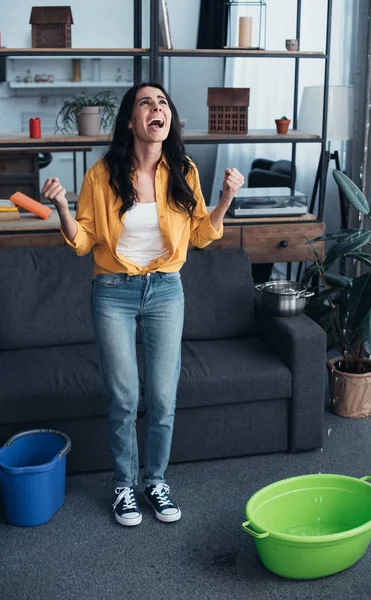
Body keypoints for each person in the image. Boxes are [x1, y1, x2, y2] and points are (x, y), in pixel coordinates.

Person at [41, 82, 244, 527]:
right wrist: (60, 204)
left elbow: (201, 235)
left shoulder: (184, 170)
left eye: (163, 102)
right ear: (132, 122)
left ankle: (155, 481)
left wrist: (227, 198)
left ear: (167, 119)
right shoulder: (102, 173)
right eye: (146, 103)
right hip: (113, 291)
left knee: (164, 395)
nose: (157, 108)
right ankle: (123, 486)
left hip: (166, 290)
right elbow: (83, 242)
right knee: (124, 395)